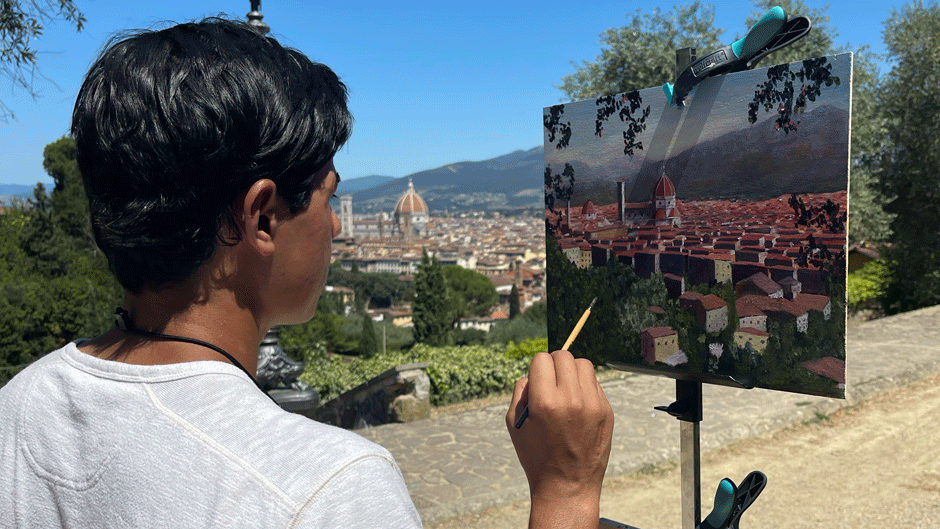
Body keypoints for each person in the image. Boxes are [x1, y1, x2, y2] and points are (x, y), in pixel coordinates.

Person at [0, 18, 613, 528]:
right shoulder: (327, 493)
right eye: (329, 199)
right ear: (262, 218)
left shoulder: (19, 406)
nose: (338, 229)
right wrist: (566, 491)